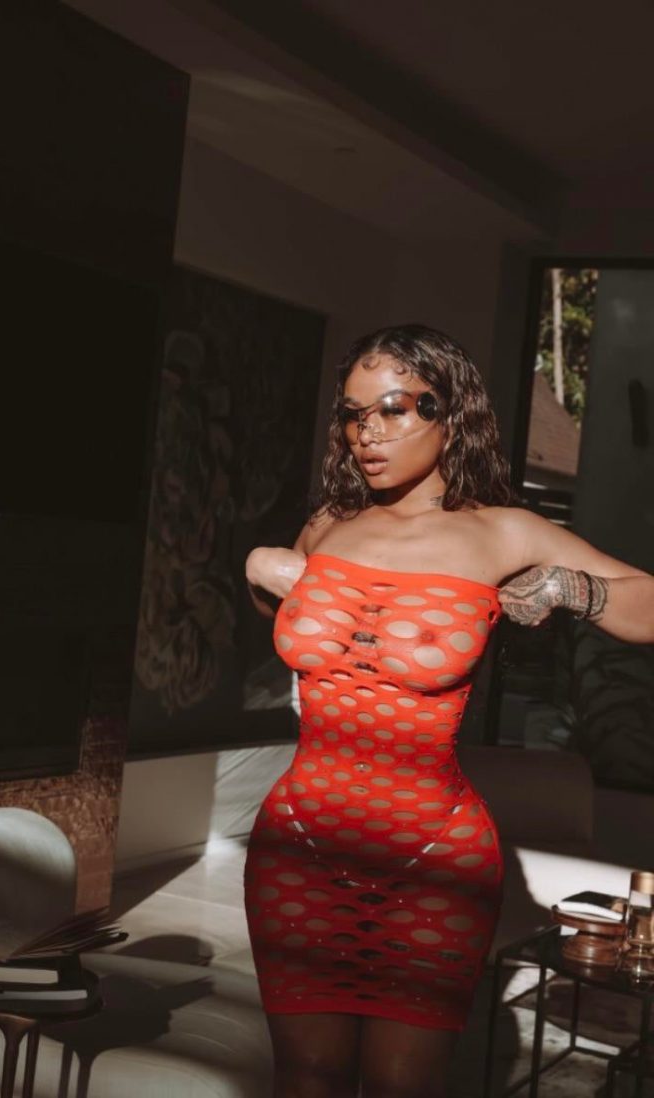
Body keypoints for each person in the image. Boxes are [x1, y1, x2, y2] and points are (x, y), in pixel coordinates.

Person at [242, 323, 654, 1098]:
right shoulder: (329, 524)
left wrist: (572, 588)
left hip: (433, 859)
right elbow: (304, 632)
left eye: (393, 409)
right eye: (353, 414)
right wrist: (259, 574)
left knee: (403, 1084)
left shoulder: (502, 531)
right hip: (299, 844)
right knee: (305, 1075)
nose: (367, 432)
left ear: (450, 413)